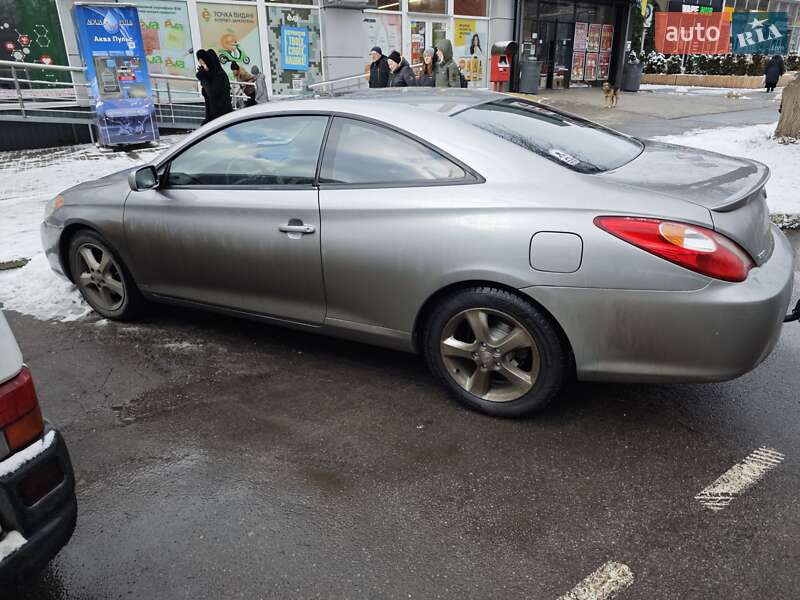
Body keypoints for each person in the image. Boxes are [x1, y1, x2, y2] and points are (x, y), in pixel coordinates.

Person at [196, 49, 232, 124]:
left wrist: (203, 77)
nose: (205, 66)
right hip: (214, 116)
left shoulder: (220, 75)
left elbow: (212, 93)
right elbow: (208, 98)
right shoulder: (212, 76)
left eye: (206, 63)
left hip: (222, 117)